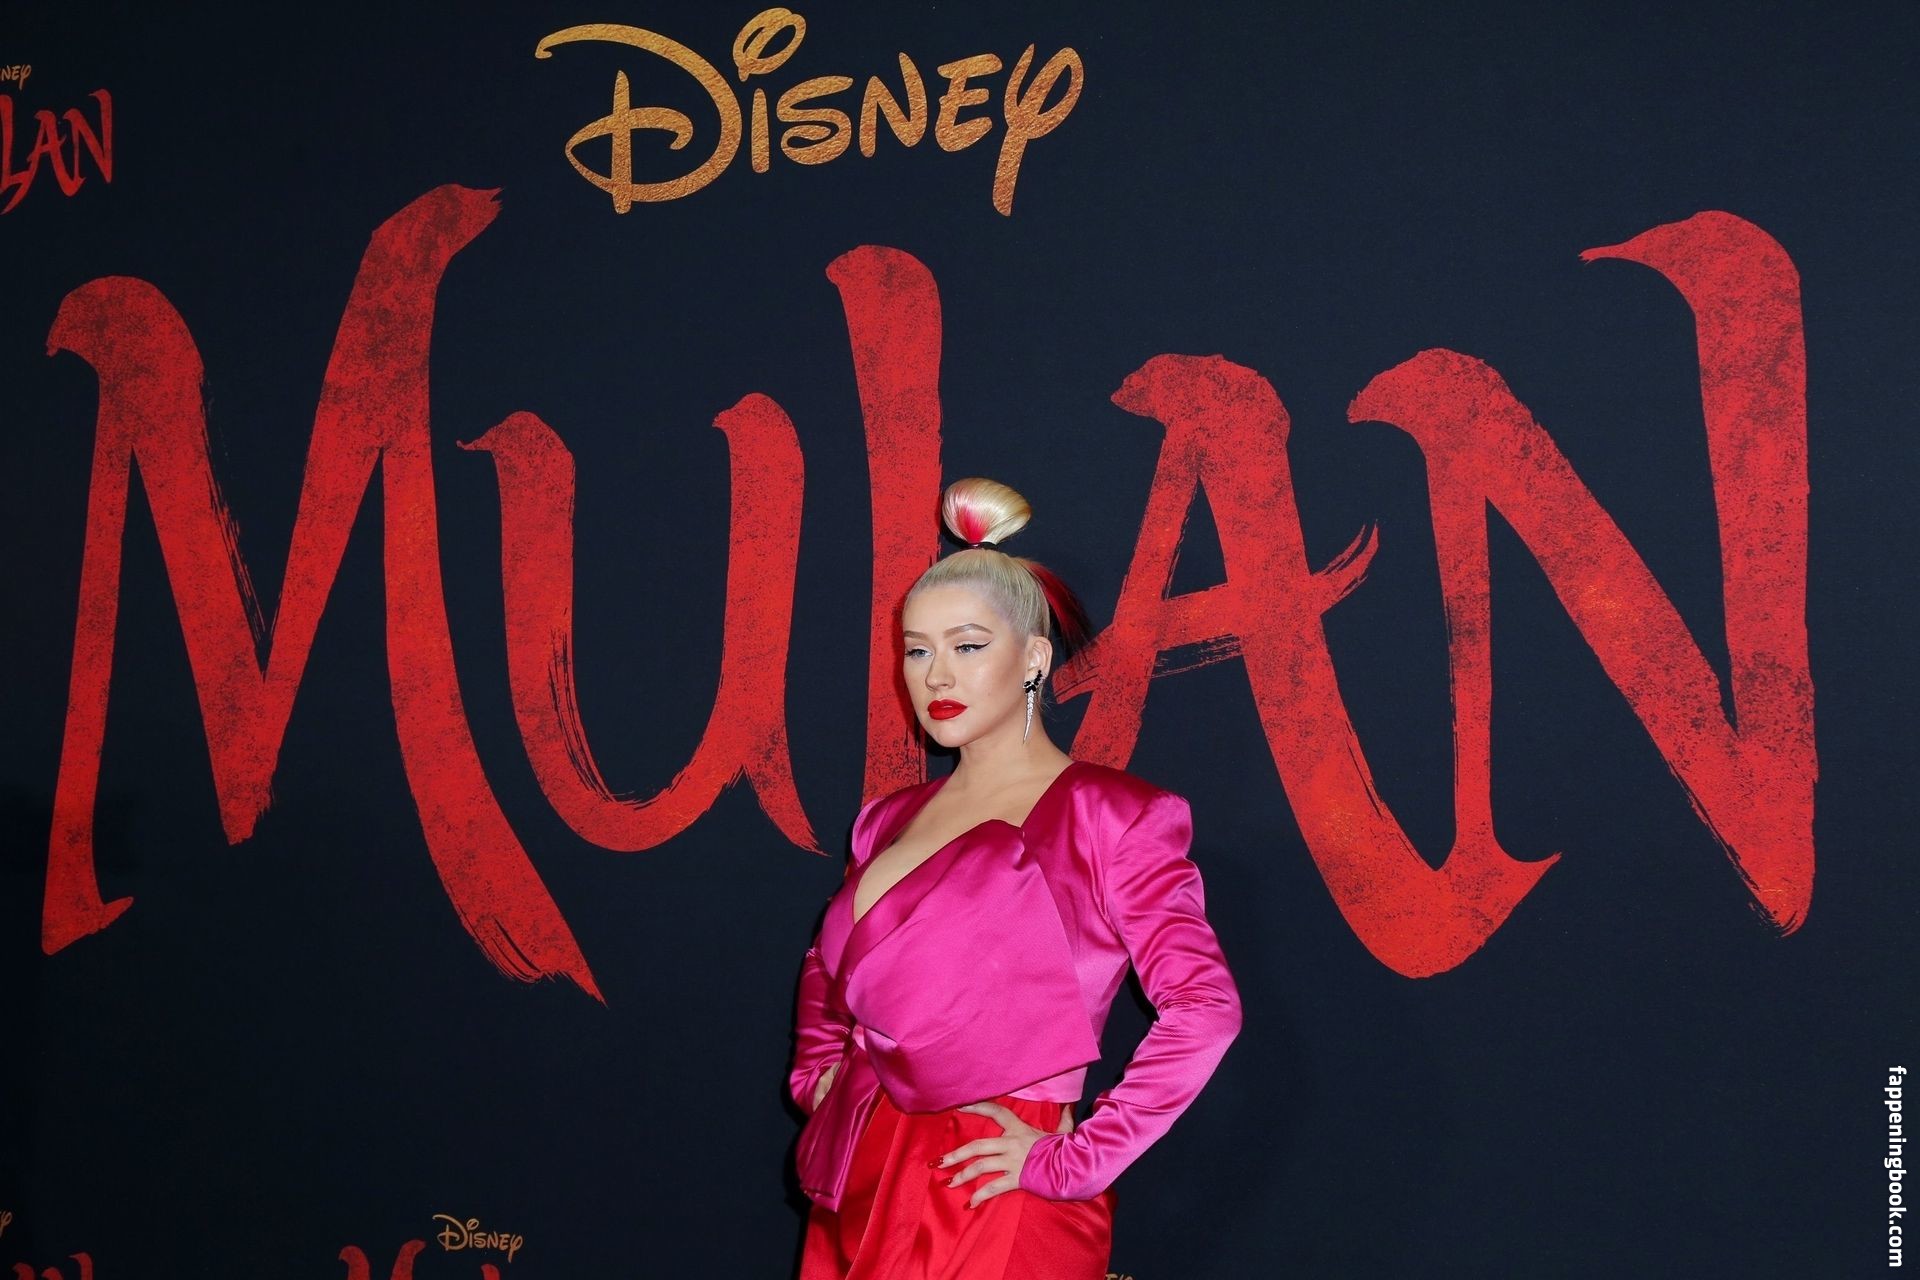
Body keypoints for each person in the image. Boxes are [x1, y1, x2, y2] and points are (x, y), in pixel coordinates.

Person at [788, 476, 1243, 1278]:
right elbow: (830, 966)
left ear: (1033, 658)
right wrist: (820, 1078)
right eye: (917, 649)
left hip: (995, 1183)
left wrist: (1078, 1158)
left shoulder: (1112, 815)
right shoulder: (886, 820)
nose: (936, 676)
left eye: (967, 646)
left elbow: (1204, 1008)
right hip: (858, 1168)